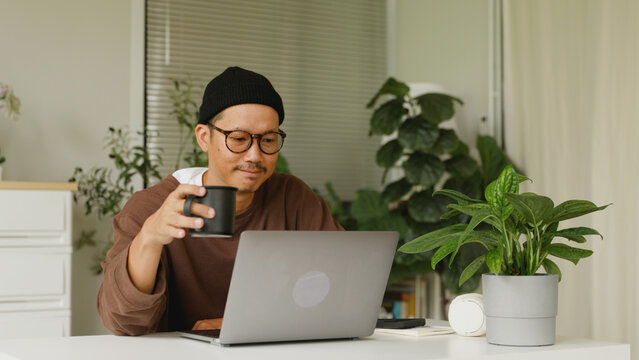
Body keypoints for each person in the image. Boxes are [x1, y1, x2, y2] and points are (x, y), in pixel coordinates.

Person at [97, 66, 343, 336]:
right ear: (204, 137)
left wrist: (248, 325)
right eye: (238, 139)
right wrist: (150, 238)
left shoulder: (293, 198)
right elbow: (123, 323)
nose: (254, 155)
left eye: (269, 140)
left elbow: (342, 288)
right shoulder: (152, 207)